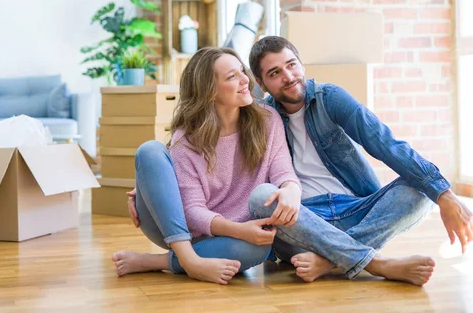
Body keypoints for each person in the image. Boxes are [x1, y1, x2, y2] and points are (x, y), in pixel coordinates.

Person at [114, 47, 436, 286]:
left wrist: (292, 191)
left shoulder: (267, 119)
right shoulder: (189, 137)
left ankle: (331, 260)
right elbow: (191, 209)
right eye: (233, 76)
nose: (245, 81)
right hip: (184, 231)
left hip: (253, 232)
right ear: (210, 91)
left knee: (260, 246)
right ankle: (376, 264)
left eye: (243, 72)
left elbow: (284, 173)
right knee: (151, 151)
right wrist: (146, 186)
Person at [246, 35, 473, 282]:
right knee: (261, 197)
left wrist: (444, 195)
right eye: (275, 73)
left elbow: (385, 143)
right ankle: (375, 263)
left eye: (291, 65)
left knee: (420, 189)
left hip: (356, 212)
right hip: (305, 222)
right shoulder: (265, 119)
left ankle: (331, 260)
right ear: (262, 83)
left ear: (301, 64)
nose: (288, 77)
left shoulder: (330, 98)